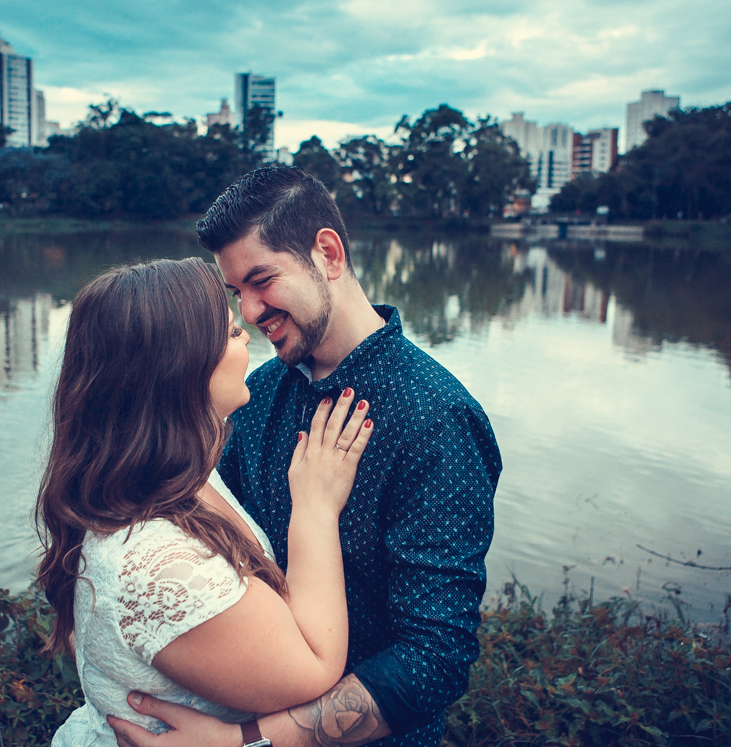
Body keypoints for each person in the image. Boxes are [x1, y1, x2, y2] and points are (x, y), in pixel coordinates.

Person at [107, 167, 502, 747]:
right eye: (235, 292)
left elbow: (434, 660)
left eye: (261, 280)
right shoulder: (256, 392)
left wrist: (243, 741)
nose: (248, 312)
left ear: (327, 253)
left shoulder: (436, 418)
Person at [37, 257, 375, 747]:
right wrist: (316, 508)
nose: (247, 339)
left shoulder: (161, 477)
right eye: (231, 332)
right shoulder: (159, 563)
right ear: (178, 368)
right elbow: (316, 667)